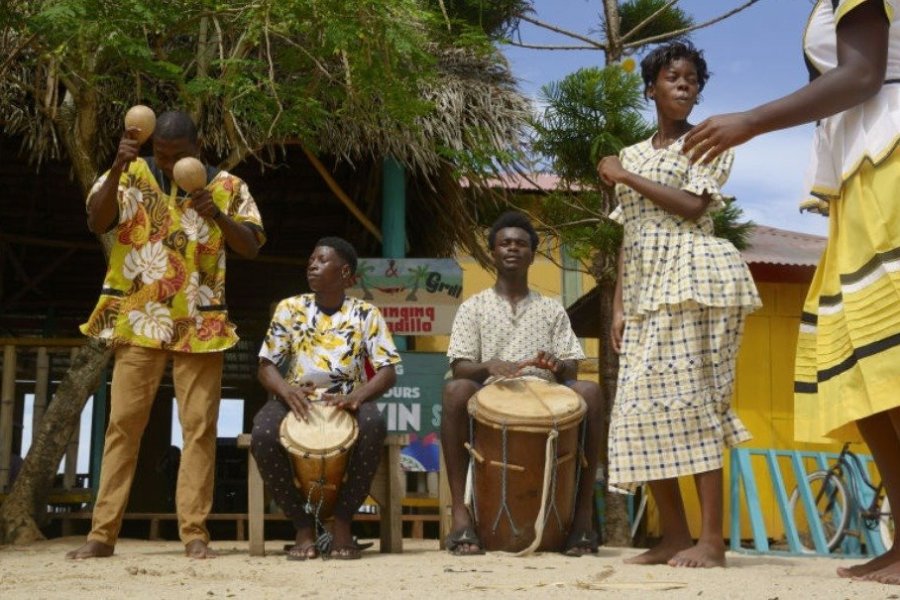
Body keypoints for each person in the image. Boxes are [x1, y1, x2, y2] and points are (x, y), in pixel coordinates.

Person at [682, 0, 900, 584]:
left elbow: (862, 73)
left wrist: (750, 121)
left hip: (890, 162)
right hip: (861, 171)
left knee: (890, 357)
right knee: (860, 364)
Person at [67, 110, 265, 560]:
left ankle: (194, 534)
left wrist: (217, 215)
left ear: (198, 148)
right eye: (161, 153)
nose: (168, 162)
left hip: (201, 321)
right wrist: (118, 166)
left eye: (177, 156)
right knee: (123, 426)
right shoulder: (132, 173)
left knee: (199, 428)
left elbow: (251, 246)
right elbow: (98, 222)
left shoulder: (229, 188)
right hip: (140, 317)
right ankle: (102, 535)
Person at [597, 41, 761, 568]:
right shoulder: (636, 152)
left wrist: (622, 175)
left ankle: (711, 542)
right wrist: (620, 306)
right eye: (673, 77)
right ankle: (673, 535)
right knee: (639, 409)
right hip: (648, 287)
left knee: (694, 402)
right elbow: (632, 235)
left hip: (697, 277)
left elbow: (693, 207)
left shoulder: (707, 142)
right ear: (652, 88)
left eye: (692, 78)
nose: (684, 84)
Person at [442, 211, 604, 556]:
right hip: (490, 396)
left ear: (531, 254)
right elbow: (460, 368)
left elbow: (572, 368)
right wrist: (488, 365)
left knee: (590, 390)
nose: (512, 249)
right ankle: (460, 515)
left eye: (521, 244)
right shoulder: (474, 308)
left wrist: (557, 366)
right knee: (455, 391)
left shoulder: (551, 309)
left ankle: (583, 518)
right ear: (493, 252)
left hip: (548, 397)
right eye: (505, 243)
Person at [251, 237, 401, 560]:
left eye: (321, 260)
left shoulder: (366, 314)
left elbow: (388, 371)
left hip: (348, 401)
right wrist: (286, 390)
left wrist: (357, 396)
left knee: (374, 423)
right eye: (310, 261)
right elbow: (266, 367)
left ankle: (343, 522)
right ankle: (303, 526)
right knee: (262, 433)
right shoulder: (290, 309)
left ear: (344, 271)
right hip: (296, 398)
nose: (312, 265)